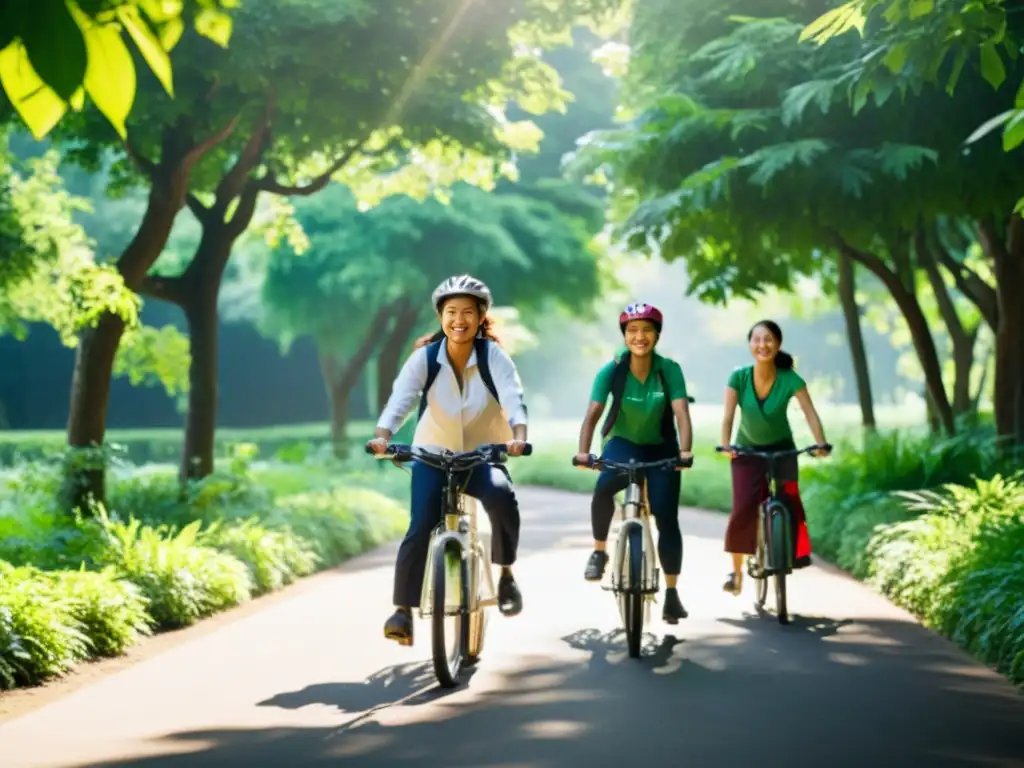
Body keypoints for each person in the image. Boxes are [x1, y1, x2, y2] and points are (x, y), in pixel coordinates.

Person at [367, 274, 530, 646]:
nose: (460, 320)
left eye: (468, 312)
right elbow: (401, 401)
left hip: (480, 456)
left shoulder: (493, 357)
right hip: (432, 456)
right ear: (441, 316)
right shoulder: (425, 358)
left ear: (480, 317)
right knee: (421, 524)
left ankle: (505, 574)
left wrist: (518, 437)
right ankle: (403, 611)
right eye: (451, 311)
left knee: (502, 496)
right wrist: (382, 437)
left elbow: (513, 399)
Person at [574, 302, 694, 624]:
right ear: (625, 336)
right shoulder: (611, 370)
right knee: (602, 491)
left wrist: (685, 452)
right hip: (621, 443)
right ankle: (599, 551)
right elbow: (593, 413)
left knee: (667, 518)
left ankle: (671, 594)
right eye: (632, 331)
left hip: (661, 447)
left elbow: (681, 412)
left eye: (646, 330)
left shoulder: (669, 369)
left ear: (656, 335)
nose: (639, 336)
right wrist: (584, 452)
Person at [719, 319, 830, 596]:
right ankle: (736, 572)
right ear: (750, 345)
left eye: (768, 339)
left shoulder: (790, 378)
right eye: (757, 339)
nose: (762, 345)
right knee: (743, 508)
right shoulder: (739, 377)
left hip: (782, 449)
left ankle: (792, 554)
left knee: (790, 500)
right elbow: (728, 417)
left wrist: (820, 443)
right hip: (747, 450)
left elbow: (809, 412)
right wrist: (726, 445)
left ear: (778, 344)